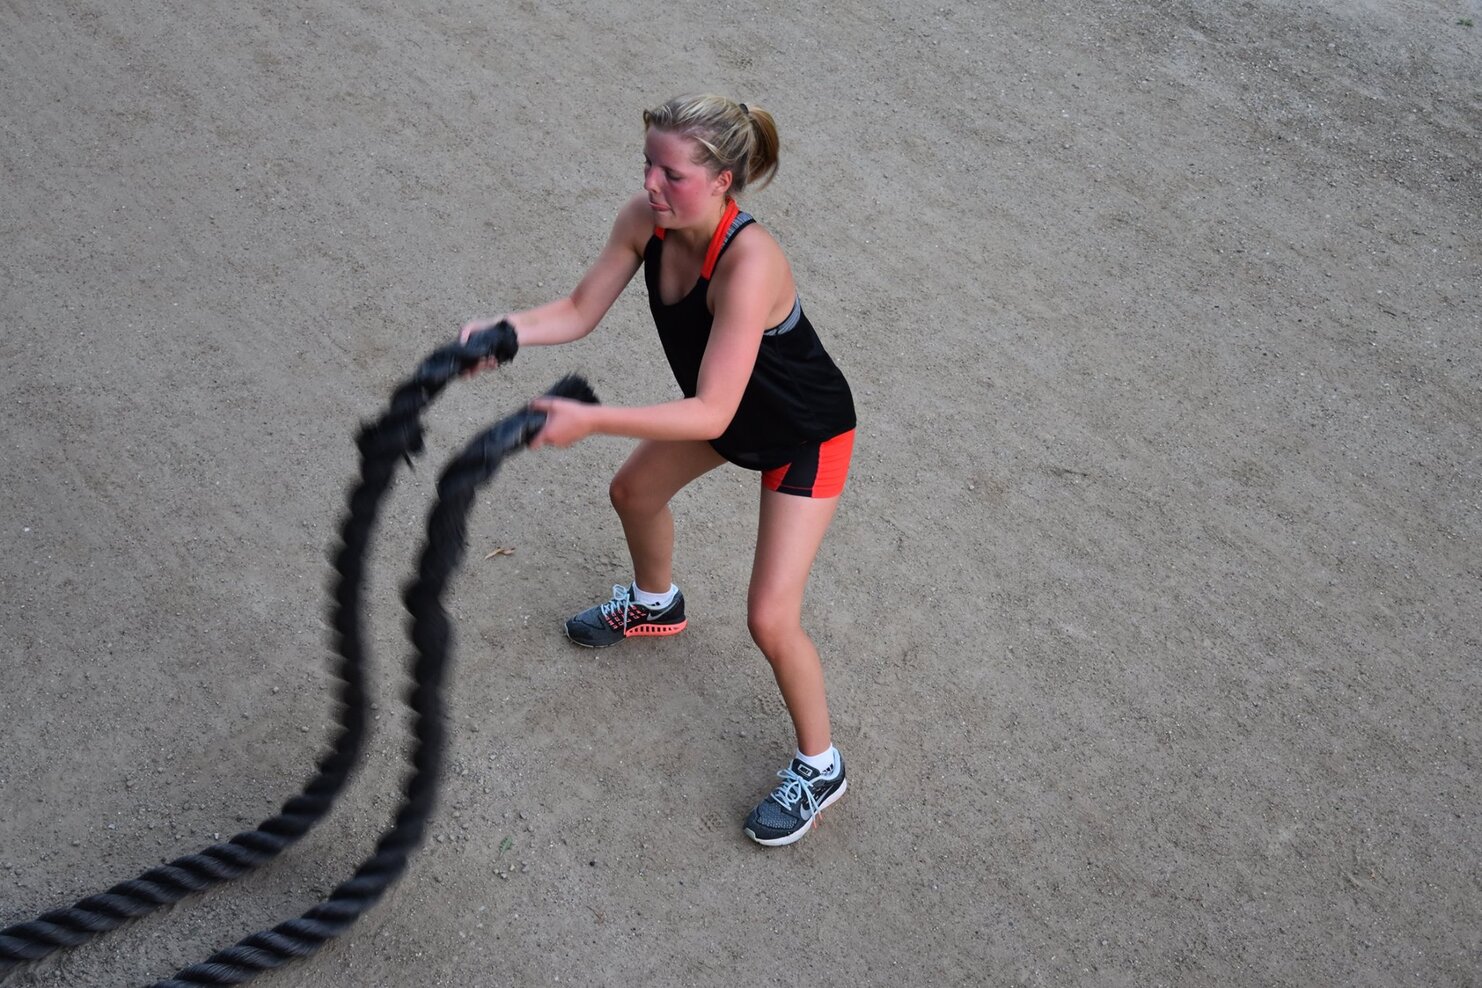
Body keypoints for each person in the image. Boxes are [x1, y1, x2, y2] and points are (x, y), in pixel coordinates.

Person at [460, 94, 856, 847]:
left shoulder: (749, 262)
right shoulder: (646, 221)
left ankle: (821, 764)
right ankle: (655, 603)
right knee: (633, 491)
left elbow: (708, 413)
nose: (650, 183)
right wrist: (505, 331)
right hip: (729, 409)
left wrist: (593, 418)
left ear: (724, 182)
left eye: (671, 173)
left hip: (804, 434)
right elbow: (579, 309)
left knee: (771, 619)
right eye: (648, 162)